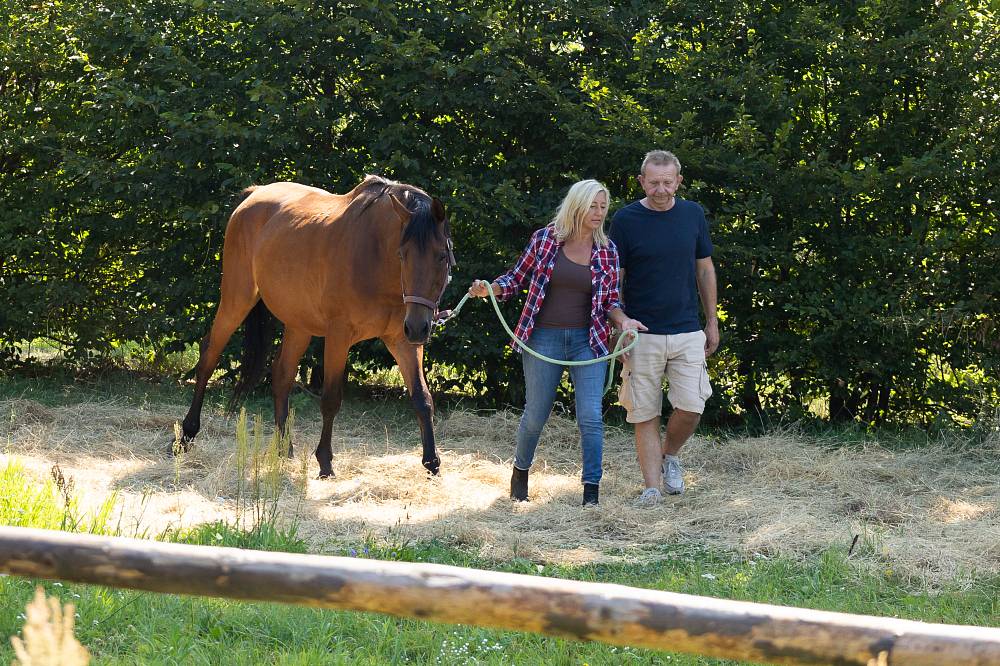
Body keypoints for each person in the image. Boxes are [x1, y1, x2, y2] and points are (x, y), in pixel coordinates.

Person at [469, 179, 645, 507]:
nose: (598, 212)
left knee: (591, 416)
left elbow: (610, 303)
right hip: (543, 338)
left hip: (587, 341)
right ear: (576, 205)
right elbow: (517, 278)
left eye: (603, 207)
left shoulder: (607, 251)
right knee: (536, 413)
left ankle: (591, 492)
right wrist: (491, 289)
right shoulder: (545, 240)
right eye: (592, 205)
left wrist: (624, 322)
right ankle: (520, 472)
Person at [608, 150, 719, 505]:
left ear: (678, 182)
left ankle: (670, 455)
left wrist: (712, 320)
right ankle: (652, 488)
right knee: (644, 411)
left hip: (687, 329)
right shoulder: (625, 219)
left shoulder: (692, 214)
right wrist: (618, 325)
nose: (660, 189)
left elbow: (704, 269)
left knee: (692, 406)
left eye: (667, 182)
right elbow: (615, 280)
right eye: (653, 182)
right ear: (641, 181)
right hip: (641, 333)